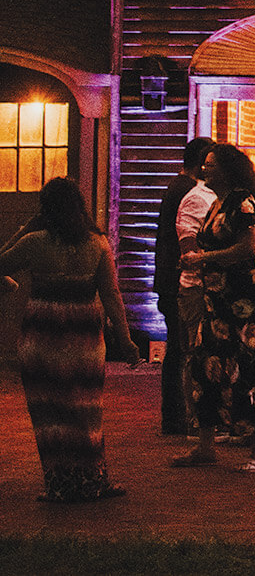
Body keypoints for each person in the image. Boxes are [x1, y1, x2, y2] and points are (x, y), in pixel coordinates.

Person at [0, 177, 137, 502]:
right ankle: (94, 481)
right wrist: (126, 338)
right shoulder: (98, 244)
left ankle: (59, 484)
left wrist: (22, 230)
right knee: (86, 411)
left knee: (49, 414)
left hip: (42, 336)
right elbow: (112, 293)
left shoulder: (34, 242)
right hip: (84, 338)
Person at [173, 143, 255, 472]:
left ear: (228, 169)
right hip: (216, 303)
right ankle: (206, 446)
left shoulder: (242, 202)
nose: (205, 170)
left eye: (211, 165)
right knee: (205, 367)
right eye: (204, 165)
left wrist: (203, 258)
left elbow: (250, 247)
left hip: (244, 304)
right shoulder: (217, 204)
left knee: (250, 371)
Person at [155, 137, 215, 435]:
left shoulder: (176, 188)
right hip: (174, 280)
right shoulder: (187, 192)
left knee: (177, 349)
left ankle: (175, 416)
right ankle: (176, 417)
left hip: (167, 278)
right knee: (181, 350)